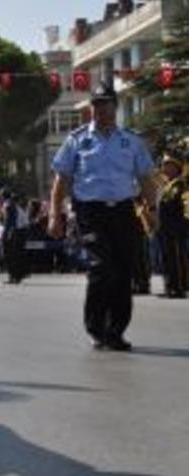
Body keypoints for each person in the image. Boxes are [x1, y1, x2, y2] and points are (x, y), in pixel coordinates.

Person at [47, 83, 159, 351]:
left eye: (105, 104)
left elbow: (146, 179)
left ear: (115, 106)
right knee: (101, 266)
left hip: (123, 211)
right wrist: (55, 214)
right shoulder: (77, 140)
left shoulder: (131, 140)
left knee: (122, 271)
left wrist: (153, 210)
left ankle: (116, 331)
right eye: (96, 104)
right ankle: (96, 328)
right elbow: (61, 179)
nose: (100, 109)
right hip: (90, 212)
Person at [157, 155, 187, 298]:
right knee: (166, 258)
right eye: (164, 165)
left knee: (176, 257)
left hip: (175, 226)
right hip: (164, 227)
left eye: (168, 165)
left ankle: (179, 287)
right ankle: (170, 285)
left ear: (176, 167)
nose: (165, 168)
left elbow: (179, 203)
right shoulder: (165, 185)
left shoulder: (179, 184)